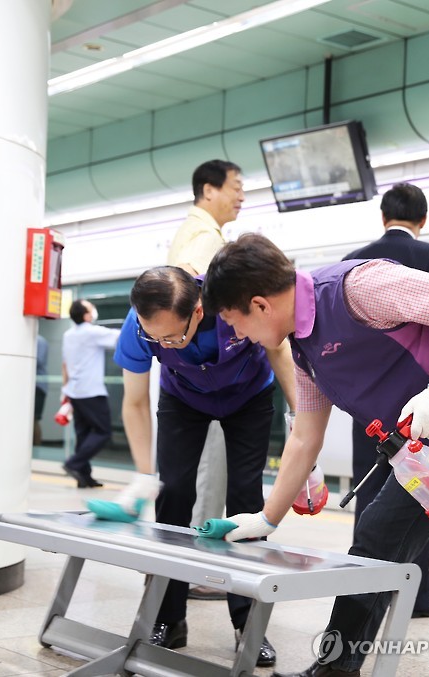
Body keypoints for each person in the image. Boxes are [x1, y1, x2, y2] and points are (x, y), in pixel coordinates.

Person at [202, 232, 429, 677]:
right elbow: (305, 437)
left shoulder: (356, 287)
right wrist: (266, 519)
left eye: (233, 321)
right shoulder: (304, 352)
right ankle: (337, 668)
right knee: (376, 539)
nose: (238, 335)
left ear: (259, 305)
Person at [91, 265, 295, 668]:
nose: (162, 343)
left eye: (171, 337)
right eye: (155, 337)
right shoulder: (138, 327)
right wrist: (144, 475)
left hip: (249, 396)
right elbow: (135, 402)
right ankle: (168, 619)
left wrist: (298, 420)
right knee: (173, 494)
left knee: (245, 498)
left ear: (198, 311)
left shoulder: (230, 300)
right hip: (183, 399)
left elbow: (278, 350)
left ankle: (248, 624)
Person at [342, 182, 429, 619]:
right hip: (418, 398)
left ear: (383, 217)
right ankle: (415, 597)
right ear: (422, 220)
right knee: (419, 489)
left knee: (368, 490)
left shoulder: (355, 259)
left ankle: (362, 593)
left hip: (368, 400)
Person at [167, 158, 244, 601]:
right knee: (211, 474)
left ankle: (180, 565)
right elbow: (189, 292)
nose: (241, 196)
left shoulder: (192, 229)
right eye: (236, 187)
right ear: (209, 190)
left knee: (197, 473)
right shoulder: (205, 237)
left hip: (191, 375)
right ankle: (195, 569)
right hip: (209, 376)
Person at [61, 299, 121, 488]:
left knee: (83, 434)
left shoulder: (68, 335)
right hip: (91, 392)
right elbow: (119, 337)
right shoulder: (92, 332)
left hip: (74, 391)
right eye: (90, 308)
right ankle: (74, 463)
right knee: (103, 432)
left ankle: (84, 477)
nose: (93, 310)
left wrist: (65, 391)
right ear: (86, 316)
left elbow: (65, 364)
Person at [33, 334, 49, 445]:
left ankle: (36, 449)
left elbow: (38, 361)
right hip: (31, 386)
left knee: (34, 419)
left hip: (38, 386)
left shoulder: (40, 341)